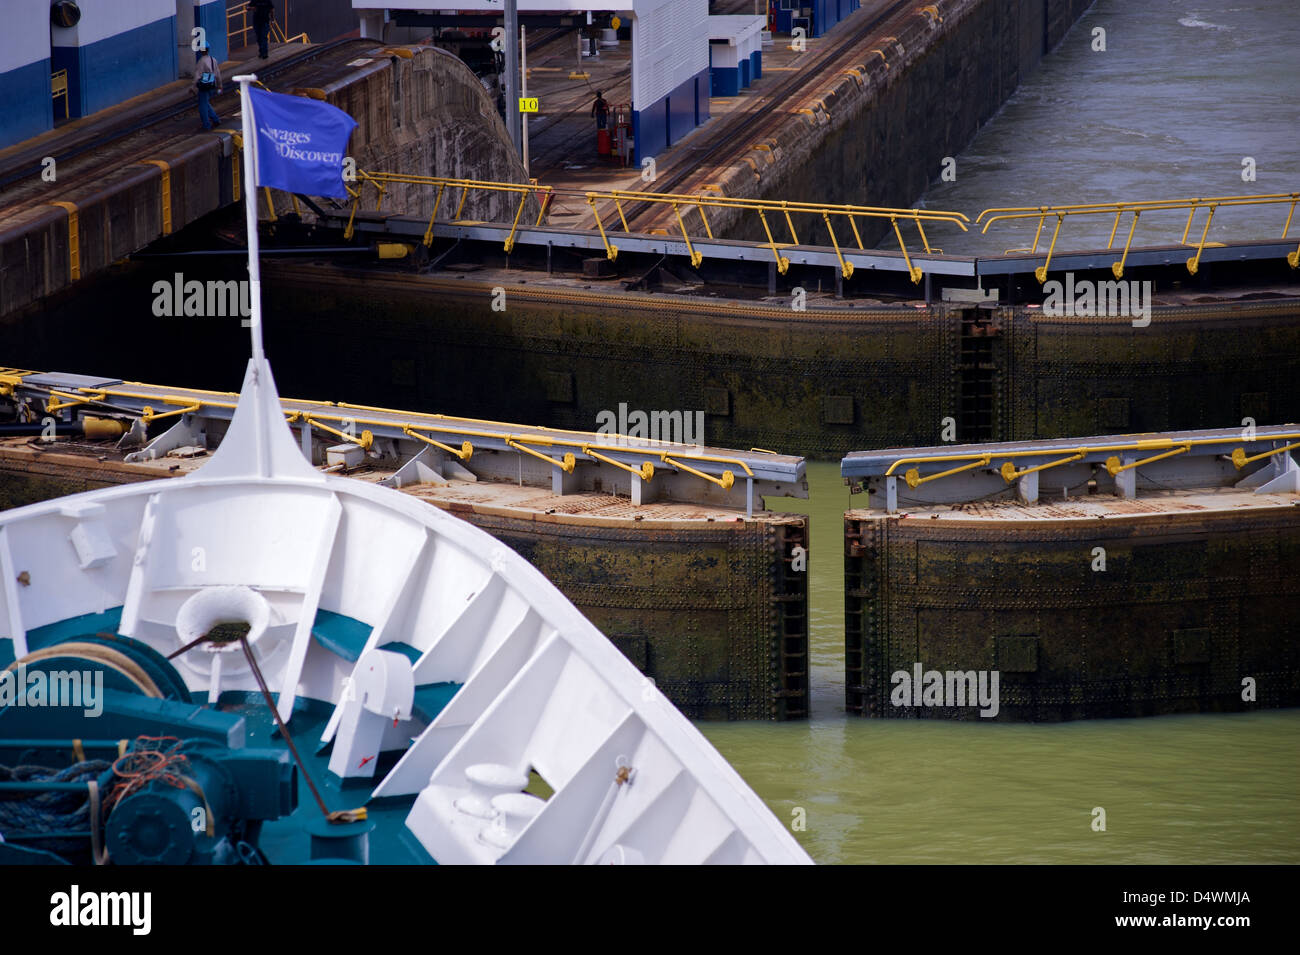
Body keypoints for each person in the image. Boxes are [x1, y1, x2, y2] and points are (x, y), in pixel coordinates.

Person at [192, 46, 223, 131]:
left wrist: (193, 87)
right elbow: (218, 73)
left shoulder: (201, 61)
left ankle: (206, 125)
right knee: (205, 102)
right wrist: (220, 85)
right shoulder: (213, 60)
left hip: (204, 85)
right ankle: (215, 119)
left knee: (202, 106)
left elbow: (197, 76)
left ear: (201, 51)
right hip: (212, 84)